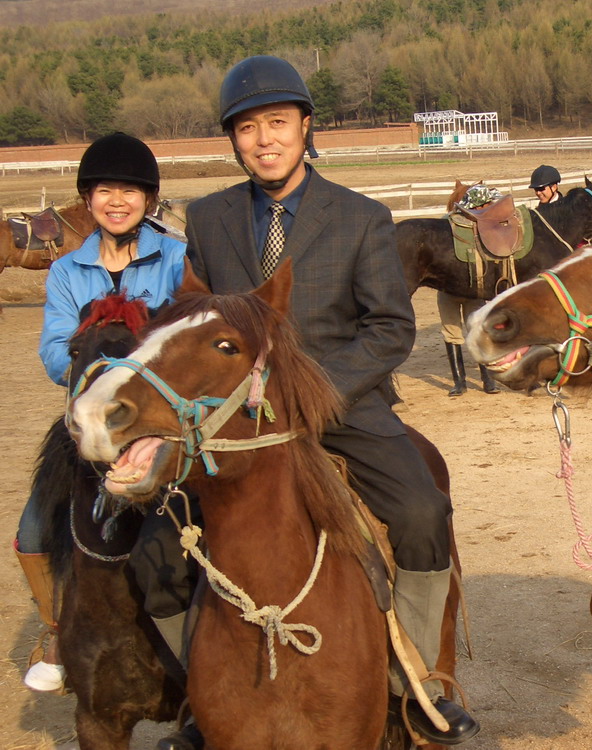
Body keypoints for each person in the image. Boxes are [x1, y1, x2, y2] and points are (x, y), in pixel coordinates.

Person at [183, 54, 480, 747]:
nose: (264, 140)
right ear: (233, 139)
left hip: (342, 408)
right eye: (248, 128)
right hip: (238, 419)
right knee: (168, 534)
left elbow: (389, 328)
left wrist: (312, 392)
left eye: (278, 123)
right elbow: (195, 321)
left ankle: (419, 680)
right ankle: (196, 700)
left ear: (305, 127)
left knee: (421, 508)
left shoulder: (361, 217)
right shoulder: (208, 218)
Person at [17, 132, 187, 693]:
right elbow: (51, 349)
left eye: (131, 190)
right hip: (87, 415)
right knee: (34, 532)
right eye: (105, 190)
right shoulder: (66, 272)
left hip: (158, 420)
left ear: (149, 200)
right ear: (88, 198)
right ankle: (55, 628)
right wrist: (89, 365)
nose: (118, 200)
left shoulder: (178, 260)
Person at [438, 291, 499, 396]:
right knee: (451, 333)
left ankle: (488, 379)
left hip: (474, 292)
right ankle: (459, 382)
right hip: (447, 291)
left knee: (480, 332)